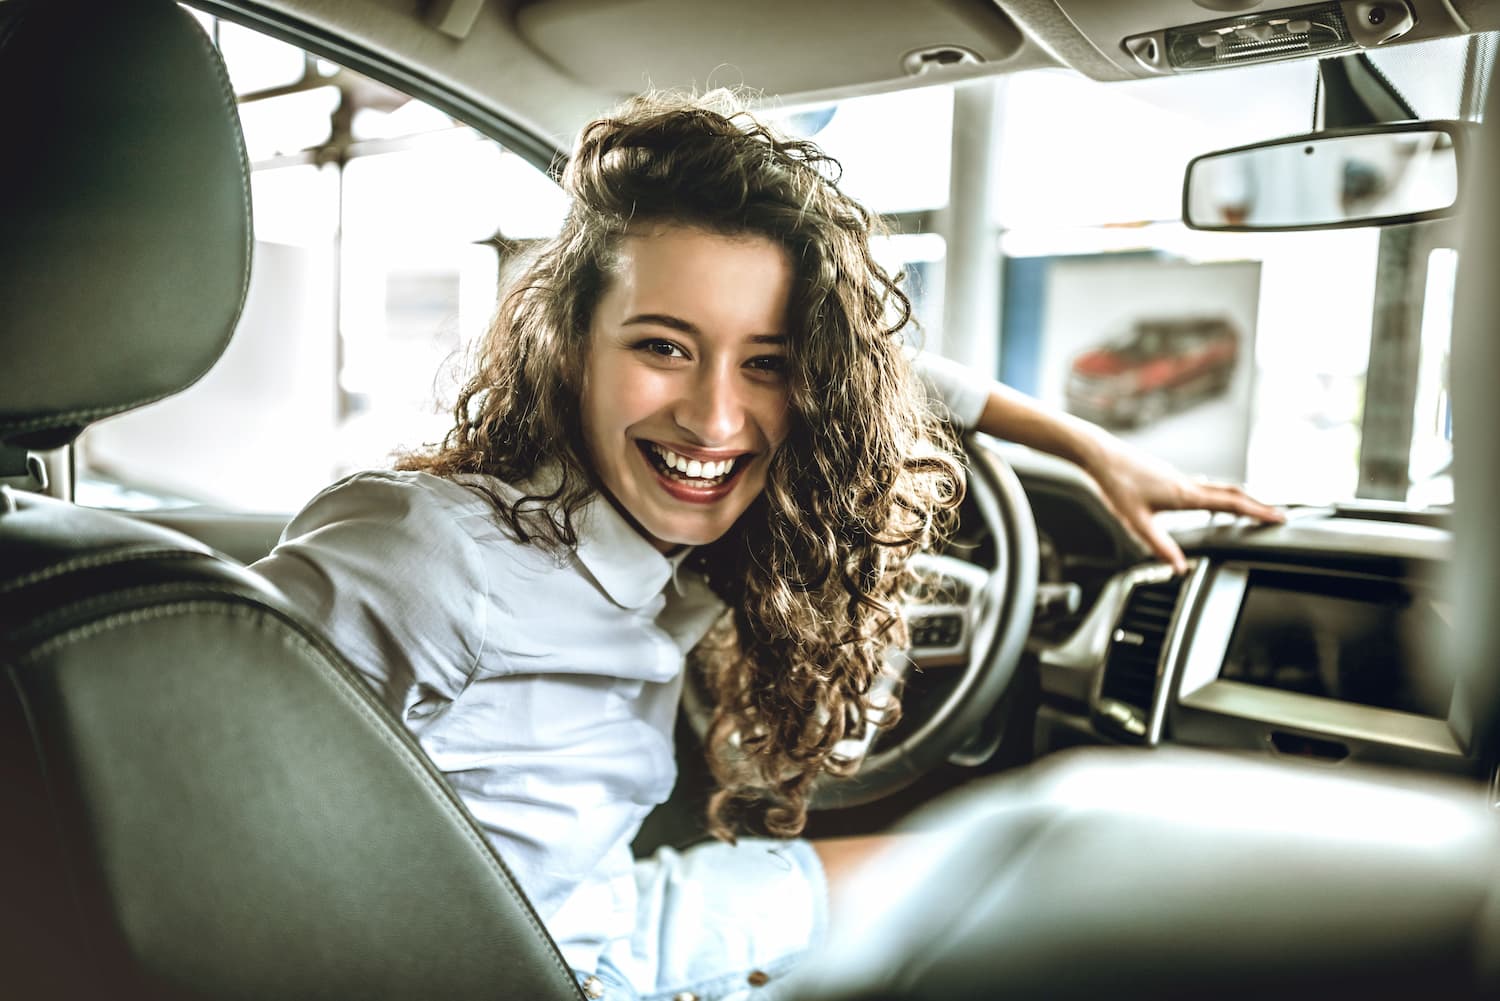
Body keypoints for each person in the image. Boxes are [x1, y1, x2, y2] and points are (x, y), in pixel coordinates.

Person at [252, 91, 1282, 1001]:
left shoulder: (645, 543)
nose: (713, 417)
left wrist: (1089, 445)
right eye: (663, 346)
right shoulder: (428, 549)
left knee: (997, 868)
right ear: (567, 346)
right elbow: (206, 822)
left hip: (608, 911)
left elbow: (900, 373)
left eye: (769, 364)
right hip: (536, 966)